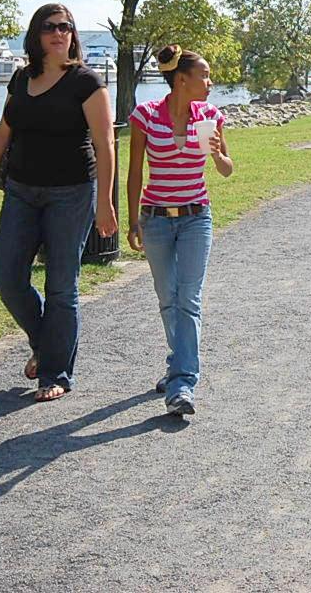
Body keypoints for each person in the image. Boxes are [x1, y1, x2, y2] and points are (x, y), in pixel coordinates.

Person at [0, 4, 117, 402]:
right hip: (21, 190)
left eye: (65, 26)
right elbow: (3, 133)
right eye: (50, 27)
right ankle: (44, 342)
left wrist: (105, 203)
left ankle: (55, 373)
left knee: (62, 287)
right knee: (7, 278)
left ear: (72, 34)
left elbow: (105, 144)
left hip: (71, 194)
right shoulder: (21, 78)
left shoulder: (86, 82)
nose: (58, 33)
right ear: (36, 35)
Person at [127, 44, 234, 417]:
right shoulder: (146, 116)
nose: (209, 82)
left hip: (195, 217)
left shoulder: (209, 116)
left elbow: (225, 169)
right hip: (155, 218)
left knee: (188, 297)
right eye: (203, 75)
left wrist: (219, 155)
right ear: (181, 79)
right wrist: (132, 219)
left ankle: (183, 383)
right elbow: (136, 171)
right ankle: (178, 363)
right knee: (167, 298)